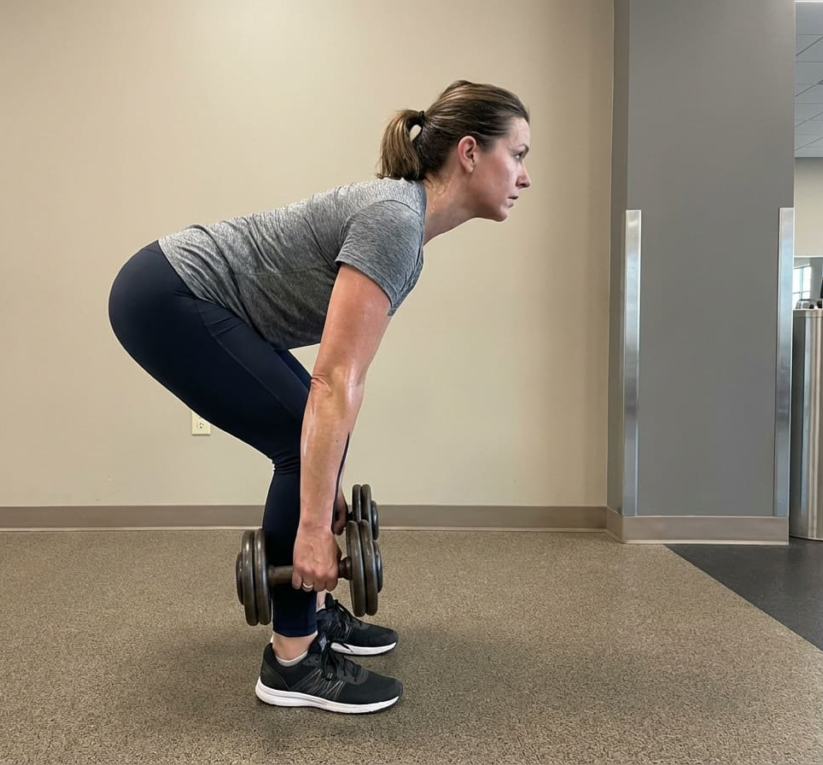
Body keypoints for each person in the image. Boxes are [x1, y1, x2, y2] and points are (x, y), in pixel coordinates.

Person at [107, 80, 532, 714]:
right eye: (518, 154)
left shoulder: (405, 226)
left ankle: (312, 612)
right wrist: (312, 529)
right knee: (295, 437)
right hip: (167, 296)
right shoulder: (395, 221)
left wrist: (324, 494)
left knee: (312, 437)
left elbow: (334, 388)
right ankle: (292, 660)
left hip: (186, 294)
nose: (524, 175)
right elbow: (336, 379)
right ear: (469, 152)